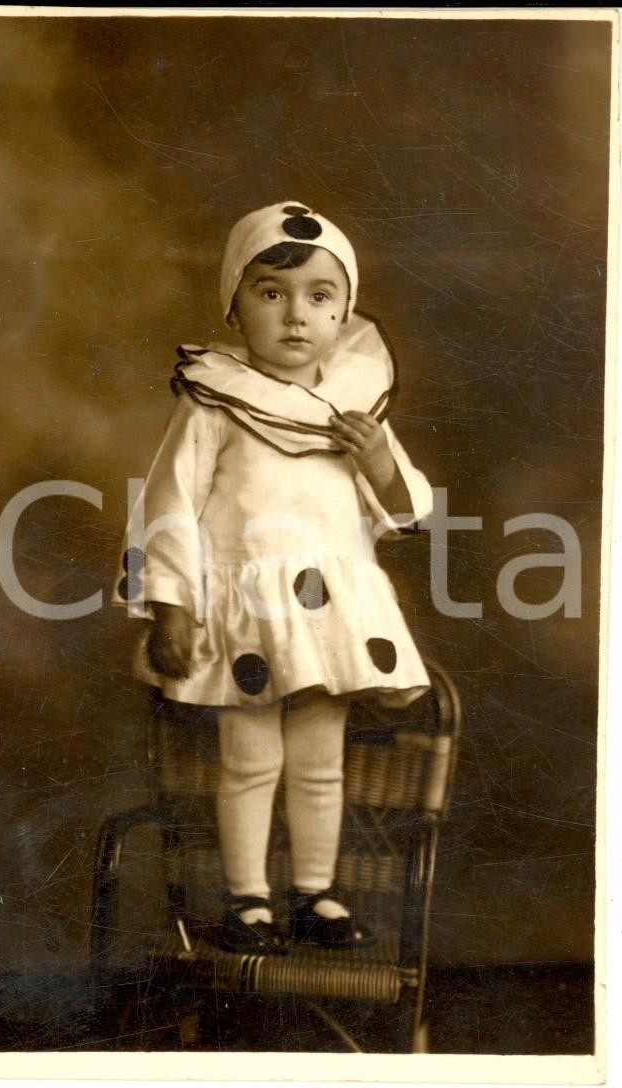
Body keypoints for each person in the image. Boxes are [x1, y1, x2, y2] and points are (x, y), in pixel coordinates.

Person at [113, 202, 433, 954]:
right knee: (250, 759)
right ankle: (249, 898)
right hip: (247, 611)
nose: (297, 316)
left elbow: (408, 512)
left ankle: (315, 892)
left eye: (320, 297)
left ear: (344, 311)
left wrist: (377, 460)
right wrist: (170, 607)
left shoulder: (354, 410)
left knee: (321, 761)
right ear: (234, 304)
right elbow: (169, 503)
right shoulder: (216, 399)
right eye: (271, 293)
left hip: (327, 615)